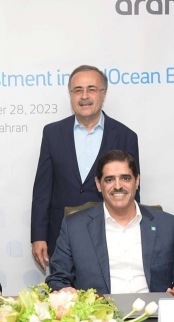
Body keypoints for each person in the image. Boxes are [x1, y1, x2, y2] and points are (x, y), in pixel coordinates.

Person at [46, 150, 174, 296]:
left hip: (154, 314)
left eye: (125, 178)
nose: (118, 186)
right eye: (109, 179)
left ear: (137, 180)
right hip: (100, 316)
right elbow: (58, 279)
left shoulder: (168, 225)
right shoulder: (74, 227)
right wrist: (64, 290)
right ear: (98, 184)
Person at [31, 65, 140, 270]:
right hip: (61, 234)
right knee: (63, 296)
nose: (84, 96)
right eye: (77, 90)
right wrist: (38, 235)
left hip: (109, 233)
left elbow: (132, 190)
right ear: (70, 95)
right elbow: (42, 189)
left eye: (91, 89)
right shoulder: (53, 133)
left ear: (104, 94)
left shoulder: (126, 136)